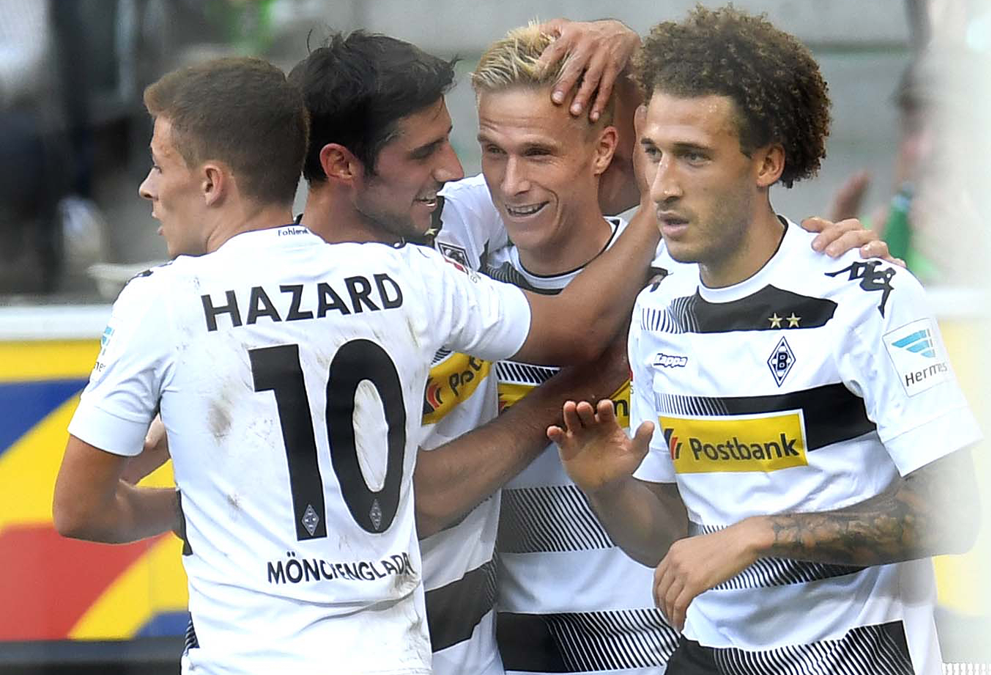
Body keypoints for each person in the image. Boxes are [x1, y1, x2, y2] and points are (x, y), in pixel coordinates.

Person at [51, 56, 623, 675]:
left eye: (161, 166)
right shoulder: (405, 277)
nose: (147, 186)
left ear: (212, 182)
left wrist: (187, 505)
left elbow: (80, 509)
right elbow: (578, 328)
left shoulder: (163, 301)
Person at [549, 7, 982, 675]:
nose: (662, 185)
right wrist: (608, 489)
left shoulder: (865, 295)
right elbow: (670, 534)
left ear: (768, 162)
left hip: (856, 657)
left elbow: (954, 513)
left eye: (693, 156)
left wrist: (757, 537)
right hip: (708, 656)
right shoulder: (659, 308)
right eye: (656, 152)